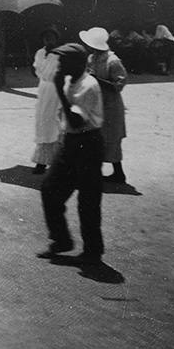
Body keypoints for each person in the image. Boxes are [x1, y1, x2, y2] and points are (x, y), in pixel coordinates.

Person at [38, 42, 106, 265]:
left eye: (65, 61)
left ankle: (93, 250)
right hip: (70, 142)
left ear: (78, 63)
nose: (60, 65)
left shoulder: (88, 85)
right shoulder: (71, 80)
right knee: (50, 189)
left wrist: (59, 90)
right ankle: (62, 239)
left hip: (87, 143)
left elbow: (77, 121)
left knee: (88, 201)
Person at [80, 27, 129, 184]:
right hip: (96, 103)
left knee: (111, 139)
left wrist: (97, 80)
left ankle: (118, 173)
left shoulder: (112, 61)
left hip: (111, 104)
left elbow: (119, 84)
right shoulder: (91, 58)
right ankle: (96, 172)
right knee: (95, 138)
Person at [31, 26, 62, 174]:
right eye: (45, 37)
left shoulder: (61, 54)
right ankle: (42, 161)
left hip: (56, 90)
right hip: (43, 89)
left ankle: (56, 163)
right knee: (42, 122)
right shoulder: (40, 52)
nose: (48, 40)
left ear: (56, 38)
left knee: (54, 122)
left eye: (51, 37)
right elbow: (37, 71)